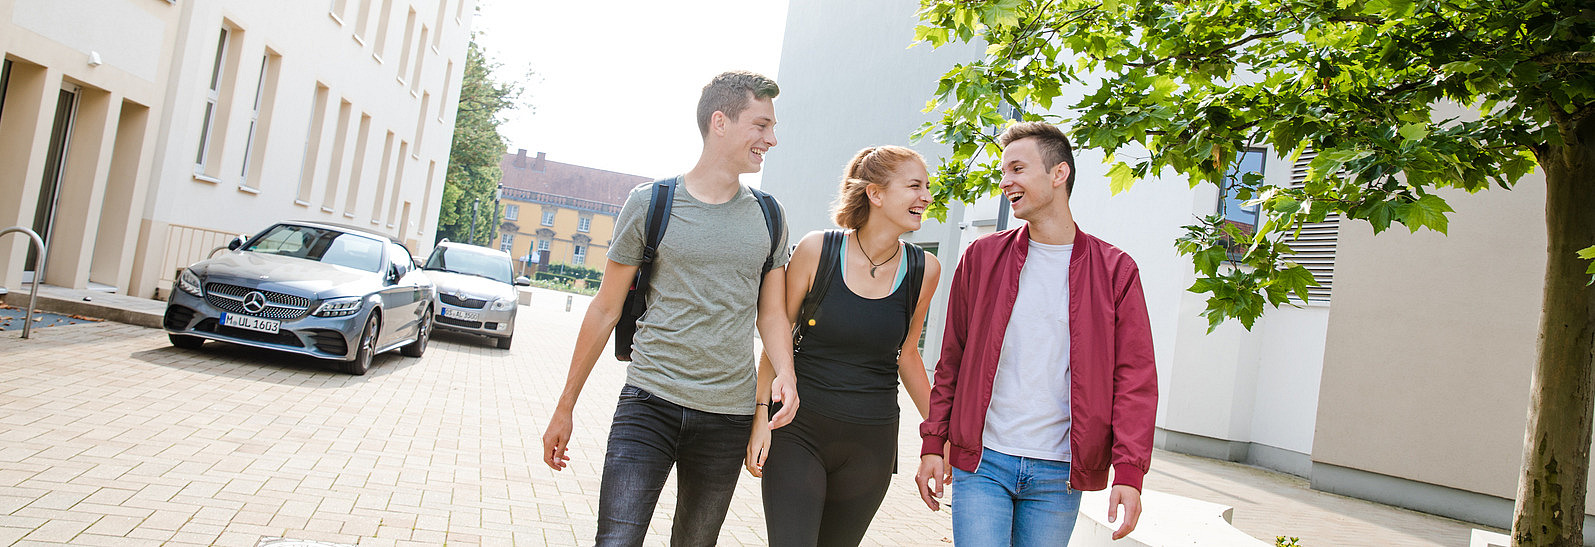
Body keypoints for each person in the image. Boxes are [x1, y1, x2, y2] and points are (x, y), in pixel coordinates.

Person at [540, 70, 800, 546]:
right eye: (761, 125)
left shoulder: (770, 215)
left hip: (727, 415)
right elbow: (604, 309)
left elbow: (773, 313)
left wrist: (786, 371)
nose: (772, 138)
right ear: (720, 122)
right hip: (648, 402)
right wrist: (565, 407)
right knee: (615, 541)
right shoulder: (651, 203)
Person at [913, 121, 1158, 546]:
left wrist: (1130, 472)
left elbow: (1134, 378)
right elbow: (952, 357)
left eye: (1017, 169)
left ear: (1058, 174)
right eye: (1004, 172)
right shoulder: (983, 258)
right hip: (983, 462)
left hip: (1059, 474)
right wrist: (934, 442)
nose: (1006, 182)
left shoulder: (1116, 270)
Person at [745, 146, 943, 546]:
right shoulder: (818, 249)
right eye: (914, 186)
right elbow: (778, 331)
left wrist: (940, 435)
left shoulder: (925, 270)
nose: (926, 196)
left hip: (871, 445)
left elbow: (907, 355)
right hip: (798, 432)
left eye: (927, 187)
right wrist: (760, 416)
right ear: (876, 193)